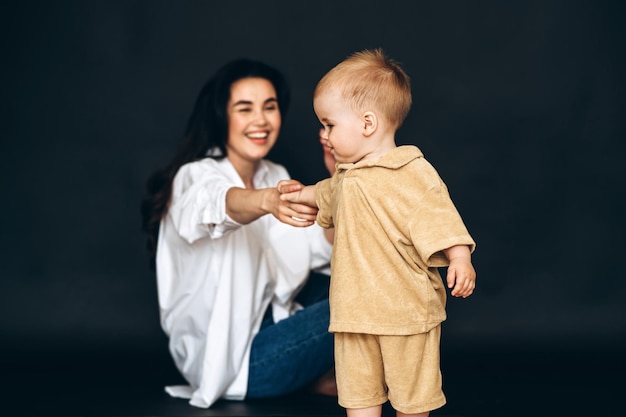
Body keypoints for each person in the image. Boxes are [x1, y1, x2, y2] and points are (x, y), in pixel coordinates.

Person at [277, 49, 477, 417]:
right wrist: (297, 193)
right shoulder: (346, 177)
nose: (324, 135)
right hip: (353, 314)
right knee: (359, 395)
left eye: (329, 125)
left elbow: (442, 218)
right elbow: (324, 192)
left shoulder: (412, 172)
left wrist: (460, 258)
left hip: (406, 314)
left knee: (411, 399)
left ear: (367, 124)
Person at [140, 58, 336, 409]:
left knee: (358, 277)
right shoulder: (195, 175)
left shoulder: (273, 173)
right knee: (366, 299)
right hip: (238, 364)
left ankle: (310, 372)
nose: (260, 120)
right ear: (221, 117)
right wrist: (266, 201)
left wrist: (340, 182)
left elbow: (316, 248)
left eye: (270, 107)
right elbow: (217, 202)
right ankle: (315, 373)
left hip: (274, 325)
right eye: (245, 108)